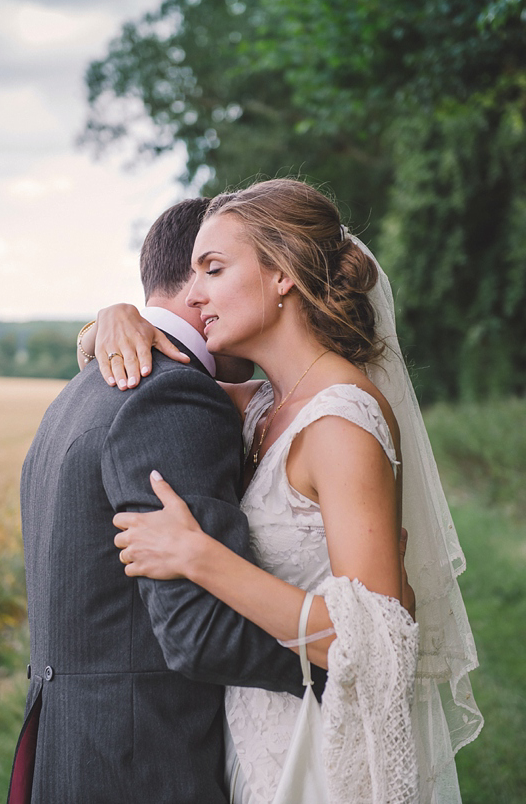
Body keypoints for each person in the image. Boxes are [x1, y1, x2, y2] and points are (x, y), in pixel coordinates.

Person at [89, 179, 483, 803]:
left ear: (282, 276)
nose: (194, 296)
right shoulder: (266, 405)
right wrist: (114, 318)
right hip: (257, 739)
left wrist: (200, 557)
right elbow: (161, 376)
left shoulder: (340, 423)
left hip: (322, 756)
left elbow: (376, 641)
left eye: (213, 269)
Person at [7, 197, 325, 804]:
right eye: (210, 268)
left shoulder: (77, 393)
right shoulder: (175, 398)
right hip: (144, 763)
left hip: (69, 749)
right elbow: (197, 631)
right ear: (195, 280)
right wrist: (342, 666)